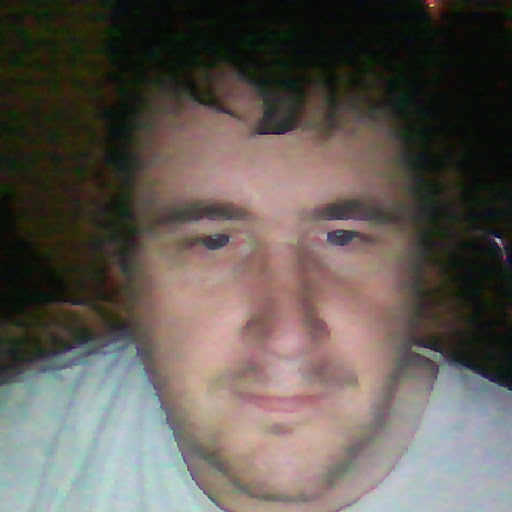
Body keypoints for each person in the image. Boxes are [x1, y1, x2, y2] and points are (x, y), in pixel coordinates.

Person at [1, 1, 511, 511]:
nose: (287, 338)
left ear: (422, 256)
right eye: (213, 241)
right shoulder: (18, 459)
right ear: (121, 260)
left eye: (342, 237)